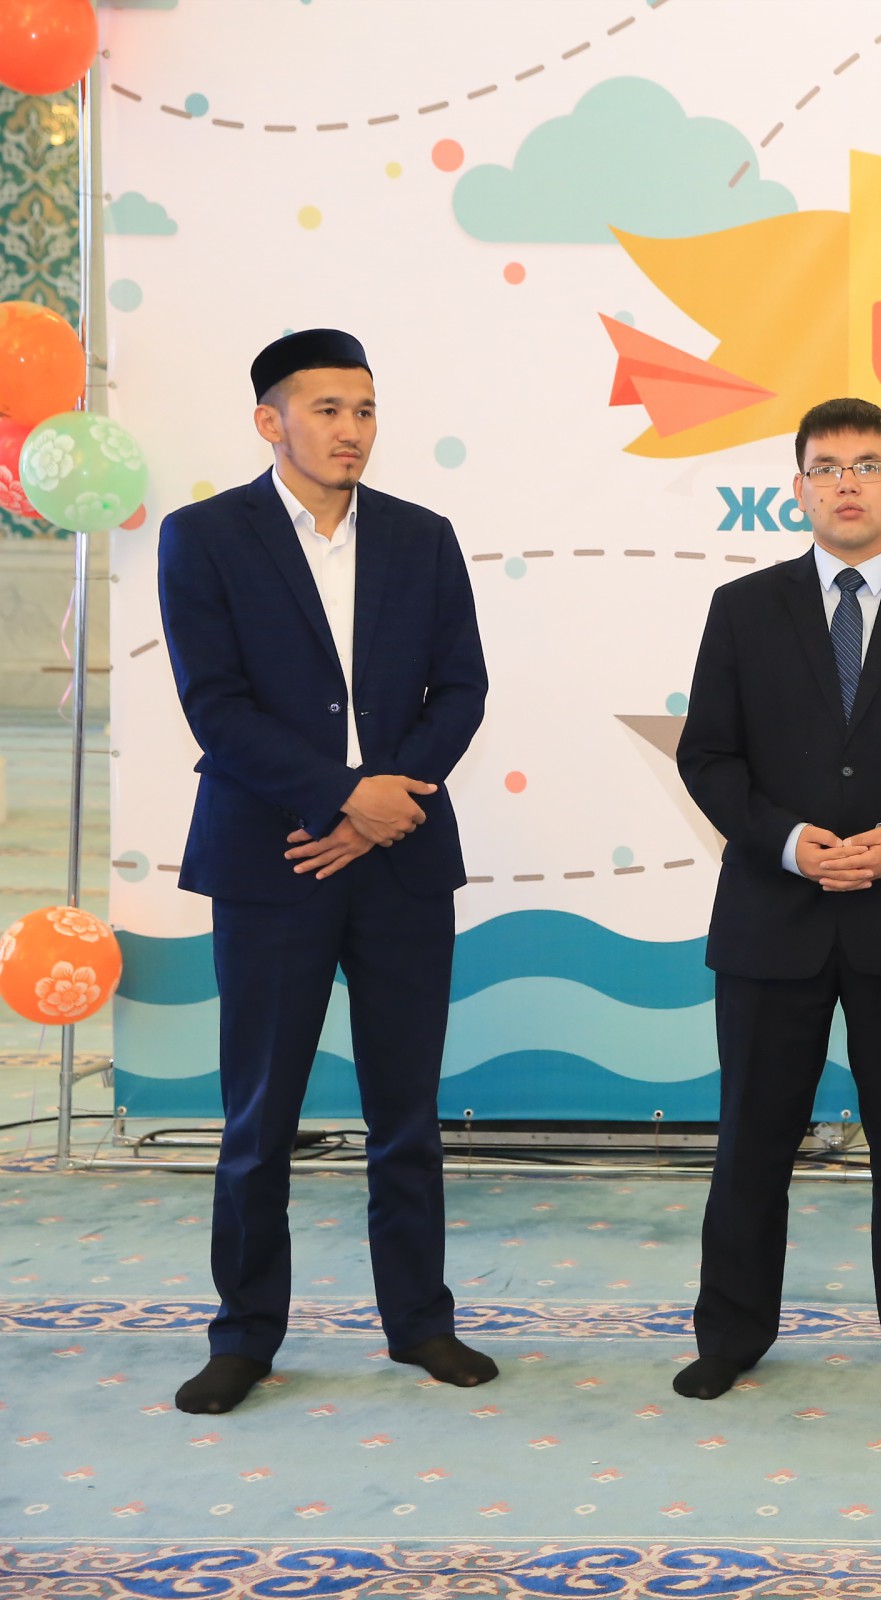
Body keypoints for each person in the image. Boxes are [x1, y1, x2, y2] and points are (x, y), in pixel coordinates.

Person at [157, 329, 492, 1414]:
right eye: (329, 409)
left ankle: (420, 1322)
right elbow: (215, 705)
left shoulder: (422, 537)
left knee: (407, 1113)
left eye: (366, 409)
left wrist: (383, 811)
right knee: (260, 1118)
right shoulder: (205, 537)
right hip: (274, 859)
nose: (353, 430)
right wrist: (343, 800)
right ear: (271, 421)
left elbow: (462, 688)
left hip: (402, 861)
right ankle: (245, 1334)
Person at [672, 397, 881, 1398]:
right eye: (826, 468)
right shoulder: (743, 608)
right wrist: (789, 842)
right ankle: (731, 1333)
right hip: (771, 918)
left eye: (867, 465)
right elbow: (708, 756)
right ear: (798, 490)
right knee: (751, 1141)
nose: (847, 484)